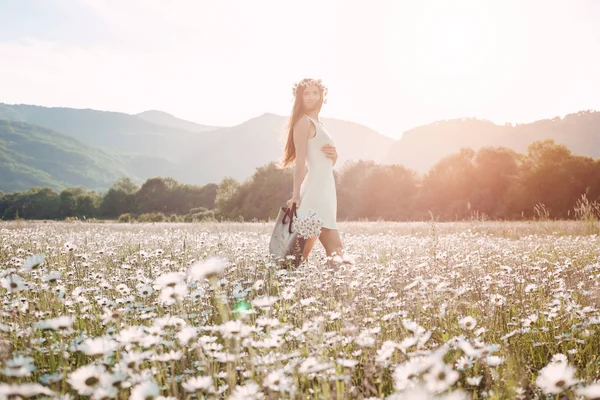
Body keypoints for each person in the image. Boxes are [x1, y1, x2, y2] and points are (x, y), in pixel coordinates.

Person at [277, 78, 345, 267]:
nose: (312, 97)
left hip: (325, 191)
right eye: (306, 93)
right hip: (315, 192)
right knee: (328, 251)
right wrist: (296, 195)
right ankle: (283, 288)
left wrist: (335, 156)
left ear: (322, 95)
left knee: (304, 255)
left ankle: (332, 292)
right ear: (300, 97)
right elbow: (300, 162)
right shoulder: (303, 122)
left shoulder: (319, 123)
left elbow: (324, 162)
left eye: (315, 92)